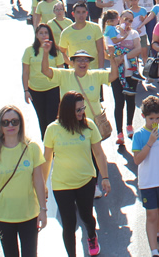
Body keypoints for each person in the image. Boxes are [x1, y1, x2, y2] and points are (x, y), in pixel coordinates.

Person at [43, 91, 112, 256]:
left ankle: (92, 236)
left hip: (85, 181)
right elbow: (46, 159)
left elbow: (99, 154)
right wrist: (43, 185)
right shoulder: (53, 129)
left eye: (83, 108)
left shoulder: (89, 126)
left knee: (87, 216)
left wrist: (106, 178)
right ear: (67, 110)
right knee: (68, 224)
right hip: (62, 184)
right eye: (78, 110)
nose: (82, 112)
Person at [0, 105, 47, 257]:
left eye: (14, 121)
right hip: (3, 216)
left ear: (20, 123)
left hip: (28, 214)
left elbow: (38, 180)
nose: (10, 125)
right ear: (0, 126)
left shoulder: (32, 148)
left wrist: (43, 210)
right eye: (5, 122)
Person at [132, 95, 159, 257]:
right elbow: (137, 160)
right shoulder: (139, 135)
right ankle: (153, 250)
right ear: (143, 116)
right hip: (147, 181)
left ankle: (156, 236)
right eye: (151, 118)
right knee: (152, 214)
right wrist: (149, 142)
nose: (155, 122)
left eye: (157, 118)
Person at [107, 14, 142, 146]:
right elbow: (108, 50)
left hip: (130, 73)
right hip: (116, 74)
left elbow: (138, 49)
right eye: (125, 19)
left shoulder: (133, 34)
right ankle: (119, 132)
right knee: (119, 102)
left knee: (130, 100)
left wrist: (123, 57)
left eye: (130, 20)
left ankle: (129, 125)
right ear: (120, 19)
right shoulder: (112, 32)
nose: (127, 22)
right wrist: (116, 58)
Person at [23, 24, 63, 136]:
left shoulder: (56, 51)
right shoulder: (29, 51)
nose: (43, 35)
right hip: (35, 90)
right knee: (42, 119)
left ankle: (54, 145)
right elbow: (25, 72)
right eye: (41, 33)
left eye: (46, 33)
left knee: (52, 119)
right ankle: (46, 145)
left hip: (53, 89)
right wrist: (26, 91)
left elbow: (61, 71)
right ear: (36, 35)